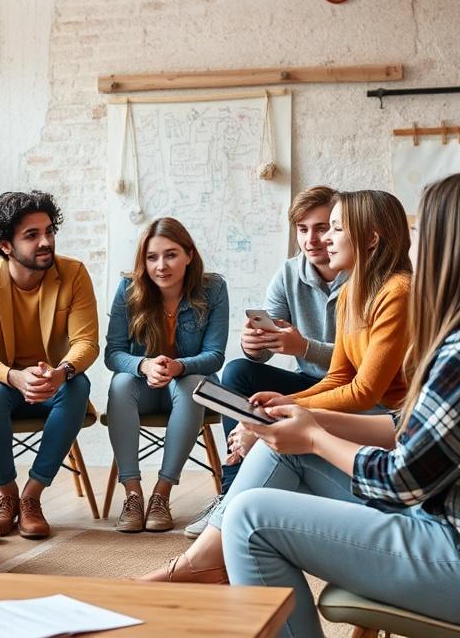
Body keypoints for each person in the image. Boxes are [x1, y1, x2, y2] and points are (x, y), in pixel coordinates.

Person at [219, 172, 460, 638]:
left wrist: (314, 438)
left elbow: (401, 480)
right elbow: (406, 425)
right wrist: (305, 419)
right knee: (281, 455)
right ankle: (207, 558)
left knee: (250, 519)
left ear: (451, 245)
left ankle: (210, 556)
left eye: (421, 232)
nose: (411, 244)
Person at [142, 188, 412, 583]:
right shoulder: (353, 288)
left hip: (385, 419)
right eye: (311, 229)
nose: (322, 240)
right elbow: (339, 376)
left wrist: (276, 414)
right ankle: (205, 555)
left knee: (275, 442)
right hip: (350, 401)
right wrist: (277, 404)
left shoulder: (397, 292)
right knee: (242, 380)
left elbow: (363, 392)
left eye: (334, 228)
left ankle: (199, 561)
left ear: (370, 238)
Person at [186, 186, 344, 537]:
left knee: (245, 376)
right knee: (239, 371)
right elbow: (267, 348)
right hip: (310, 382)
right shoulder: (289, 274)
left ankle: (243, 494)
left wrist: (304, 347)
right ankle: (231, 491)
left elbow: (363, 361)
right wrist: (253, 344)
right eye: (302, 230)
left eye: (321, 228)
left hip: (351, 387)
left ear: (338, 227)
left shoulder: (361, 275)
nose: (311, 239)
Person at [0, 191, 98, 540]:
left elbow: (87, 342)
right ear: (6, 245)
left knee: (78, 385)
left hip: (50, 379)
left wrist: (61, 371)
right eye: (32, 235)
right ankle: (6, 496)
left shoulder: (74, 274)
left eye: (49, 231)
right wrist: (13, 376)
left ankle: (31, 497)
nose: (45, 241)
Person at [105, 217, 228, 533]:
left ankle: (161, 494)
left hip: (189, 387)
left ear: (189, 254)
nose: (161, 265)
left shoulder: (213, 289)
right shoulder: (128, 289)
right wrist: (144, 366)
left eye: (171, 254)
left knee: (190, 384)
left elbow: (215, 356)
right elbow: (113, 353)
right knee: (120, 382)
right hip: (144, 389)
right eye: (152, 257)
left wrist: (179, 366)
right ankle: (133, 495)